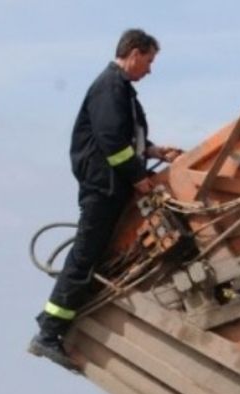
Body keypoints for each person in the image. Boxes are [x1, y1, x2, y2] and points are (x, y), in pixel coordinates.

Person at [29, 28, 182, 371]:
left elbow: (122, 139)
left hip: (110, 186)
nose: (150, 69)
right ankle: (49, 333)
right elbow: (113, 143)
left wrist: (155, 150)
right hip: (104, 187)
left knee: (93, 254)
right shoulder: (110, 87)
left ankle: (50, 321)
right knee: (85, 255)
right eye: (149, 60)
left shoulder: (119, 90)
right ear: (133, 52)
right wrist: (139, 177)